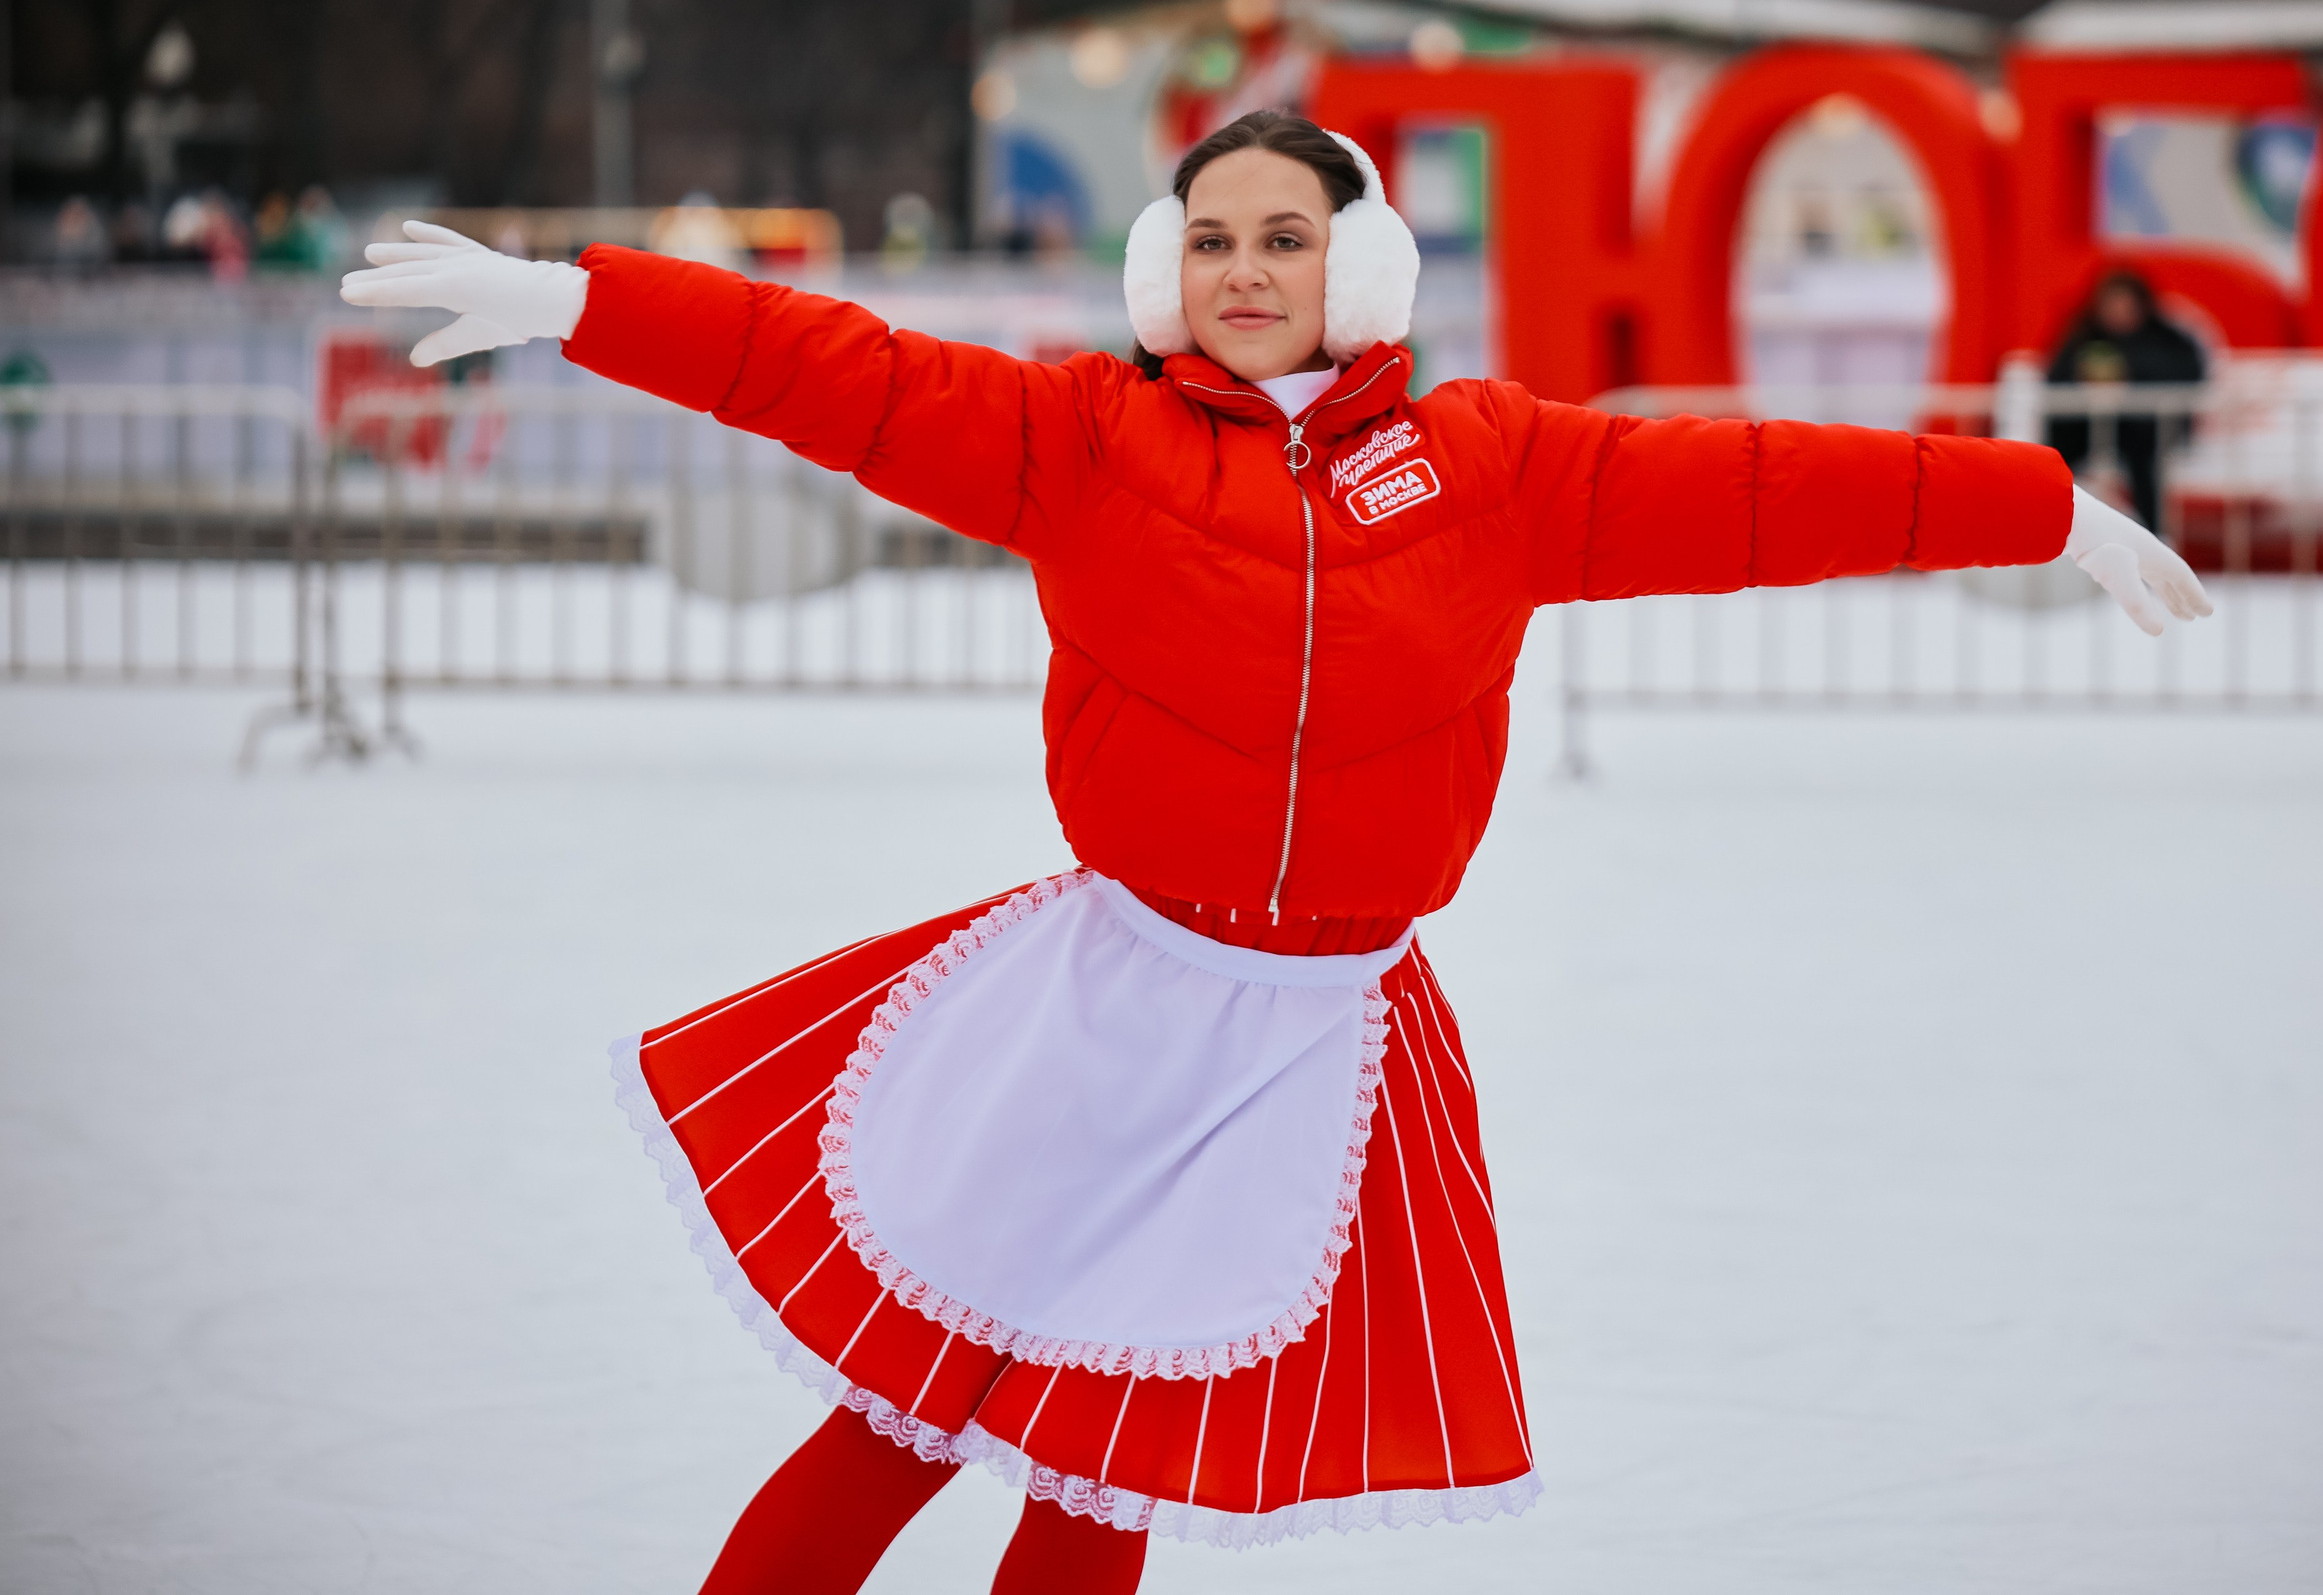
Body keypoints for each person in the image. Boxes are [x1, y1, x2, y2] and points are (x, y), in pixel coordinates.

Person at [341, 110, 2209, 1594]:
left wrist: (2042, 506)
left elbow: (1759, 485)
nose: (1247, 270)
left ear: (1361, 264)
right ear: (1167, 271)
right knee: (905, 1419)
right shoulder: (1086, 440)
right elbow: (843, 372)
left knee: (1105, 1455)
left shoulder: (1494, 465)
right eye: (1214, 238)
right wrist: (583, 301)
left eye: (1287, 237)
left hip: (1308, 1043)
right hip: (1106, 1014)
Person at [2043, 268, 2207, 535]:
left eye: (2126, 305)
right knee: (2056, 459)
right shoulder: (2083, 338)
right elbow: (2055, 378)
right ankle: (2054, 527)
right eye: (2112, 305)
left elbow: (2189, 375)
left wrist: (2130, 372)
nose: (2119, 313)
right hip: (2086, 428)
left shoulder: (2165, 339)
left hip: (2144, 432)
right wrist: (2083, 376)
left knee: (2145, 462)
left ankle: (2154, 536)